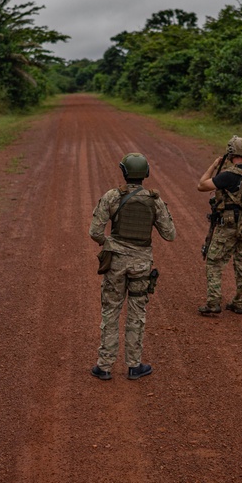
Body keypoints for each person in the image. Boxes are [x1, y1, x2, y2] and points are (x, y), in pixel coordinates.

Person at [89, 153, 176, 381]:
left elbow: (95, 232)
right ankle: (134, 365)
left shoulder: (112, 196)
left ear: (124, 172)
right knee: (137, 313)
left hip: (115, 263)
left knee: (111, 310)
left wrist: (110, 244)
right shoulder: (154, 200)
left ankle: (104, 366)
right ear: (146, 173)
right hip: (141, 264)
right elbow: (170, 234)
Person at [197, 135, 242, 316]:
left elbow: (201, 185)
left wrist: (214, 165)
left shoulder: (228, 175)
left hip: (228, 226)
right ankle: (239, 303)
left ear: (230, 153)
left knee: (214, 261)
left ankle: (213, 302)